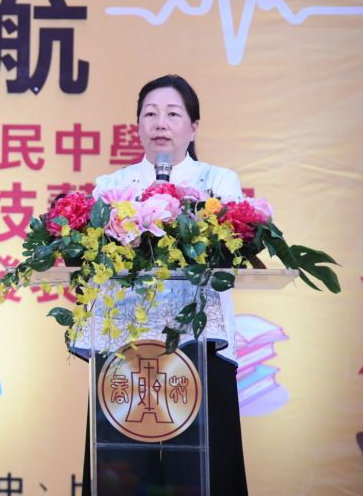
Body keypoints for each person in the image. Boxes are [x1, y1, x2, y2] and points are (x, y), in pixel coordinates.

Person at [81, 74, 248, 495]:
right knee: (124, 473)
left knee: (199, 473)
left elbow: (231, 250)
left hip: (199, 344)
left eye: (173, 114)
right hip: (126, 346)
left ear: (193, 127)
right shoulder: (110, 187)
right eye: (150, 114)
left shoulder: (218, 182)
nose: (160, 123)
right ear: (137, 125)